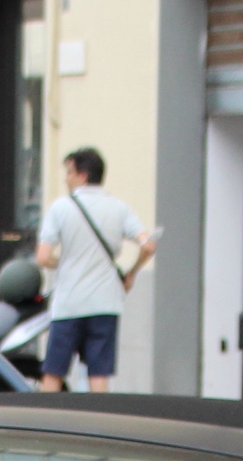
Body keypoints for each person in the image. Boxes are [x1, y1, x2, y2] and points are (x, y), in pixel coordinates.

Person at [34, 148, 157, 393]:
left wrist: (64, 261)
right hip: (105, 304)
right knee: (98, 374)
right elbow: (149, 245)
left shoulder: (60, 208)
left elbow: (43, 256)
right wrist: (132, 272)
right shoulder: (119, 208)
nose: (65, 178)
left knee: (54, 373)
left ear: (82, 175)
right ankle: (97, 425)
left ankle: (46, 424)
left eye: (69, 172)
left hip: (69, 304)